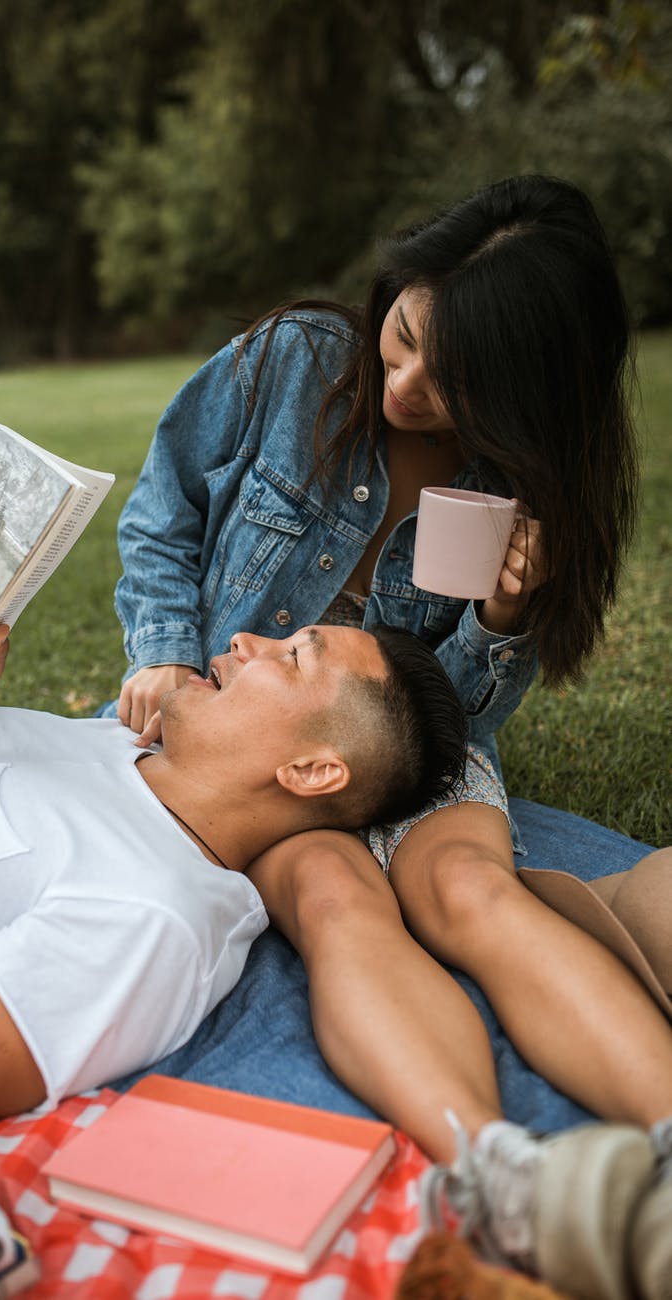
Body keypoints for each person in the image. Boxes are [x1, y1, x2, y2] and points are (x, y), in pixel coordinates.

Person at [104, 174, 670, 1300]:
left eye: (454, 386)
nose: (406, 385)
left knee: (473, 893)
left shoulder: (514, 480)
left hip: (418, 741)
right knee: (330, 895)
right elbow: (161, 508)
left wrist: (503, 622)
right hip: (270, 734)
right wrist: (162, 650)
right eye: (406, 334)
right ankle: (492, 1166)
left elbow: (453, 720)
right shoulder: (293, 363)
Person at [0, 615, 466, 1133]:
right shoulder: (119, 747)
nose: (245, 638)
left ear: (311, 771)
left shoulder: (153, 916)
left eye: (292, 656)